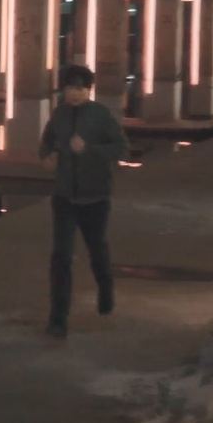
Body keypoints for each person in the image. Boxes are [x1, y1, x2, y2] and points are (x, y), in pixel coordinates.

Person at [38, 64, 128, 338]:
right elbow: (46, 143)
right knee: (61, 256)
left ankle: (105, 285)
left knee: (96, 247)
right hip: (64, 196)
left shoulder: (100, 115)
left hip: (95, 196)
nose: (75, 94)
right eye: (70, 88)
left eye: (80, 89)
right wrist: (48, 157)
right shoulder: (59, 115)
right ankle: (58, 318)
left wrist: (89, 150)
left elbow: (121, 148)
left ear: (89, 90)